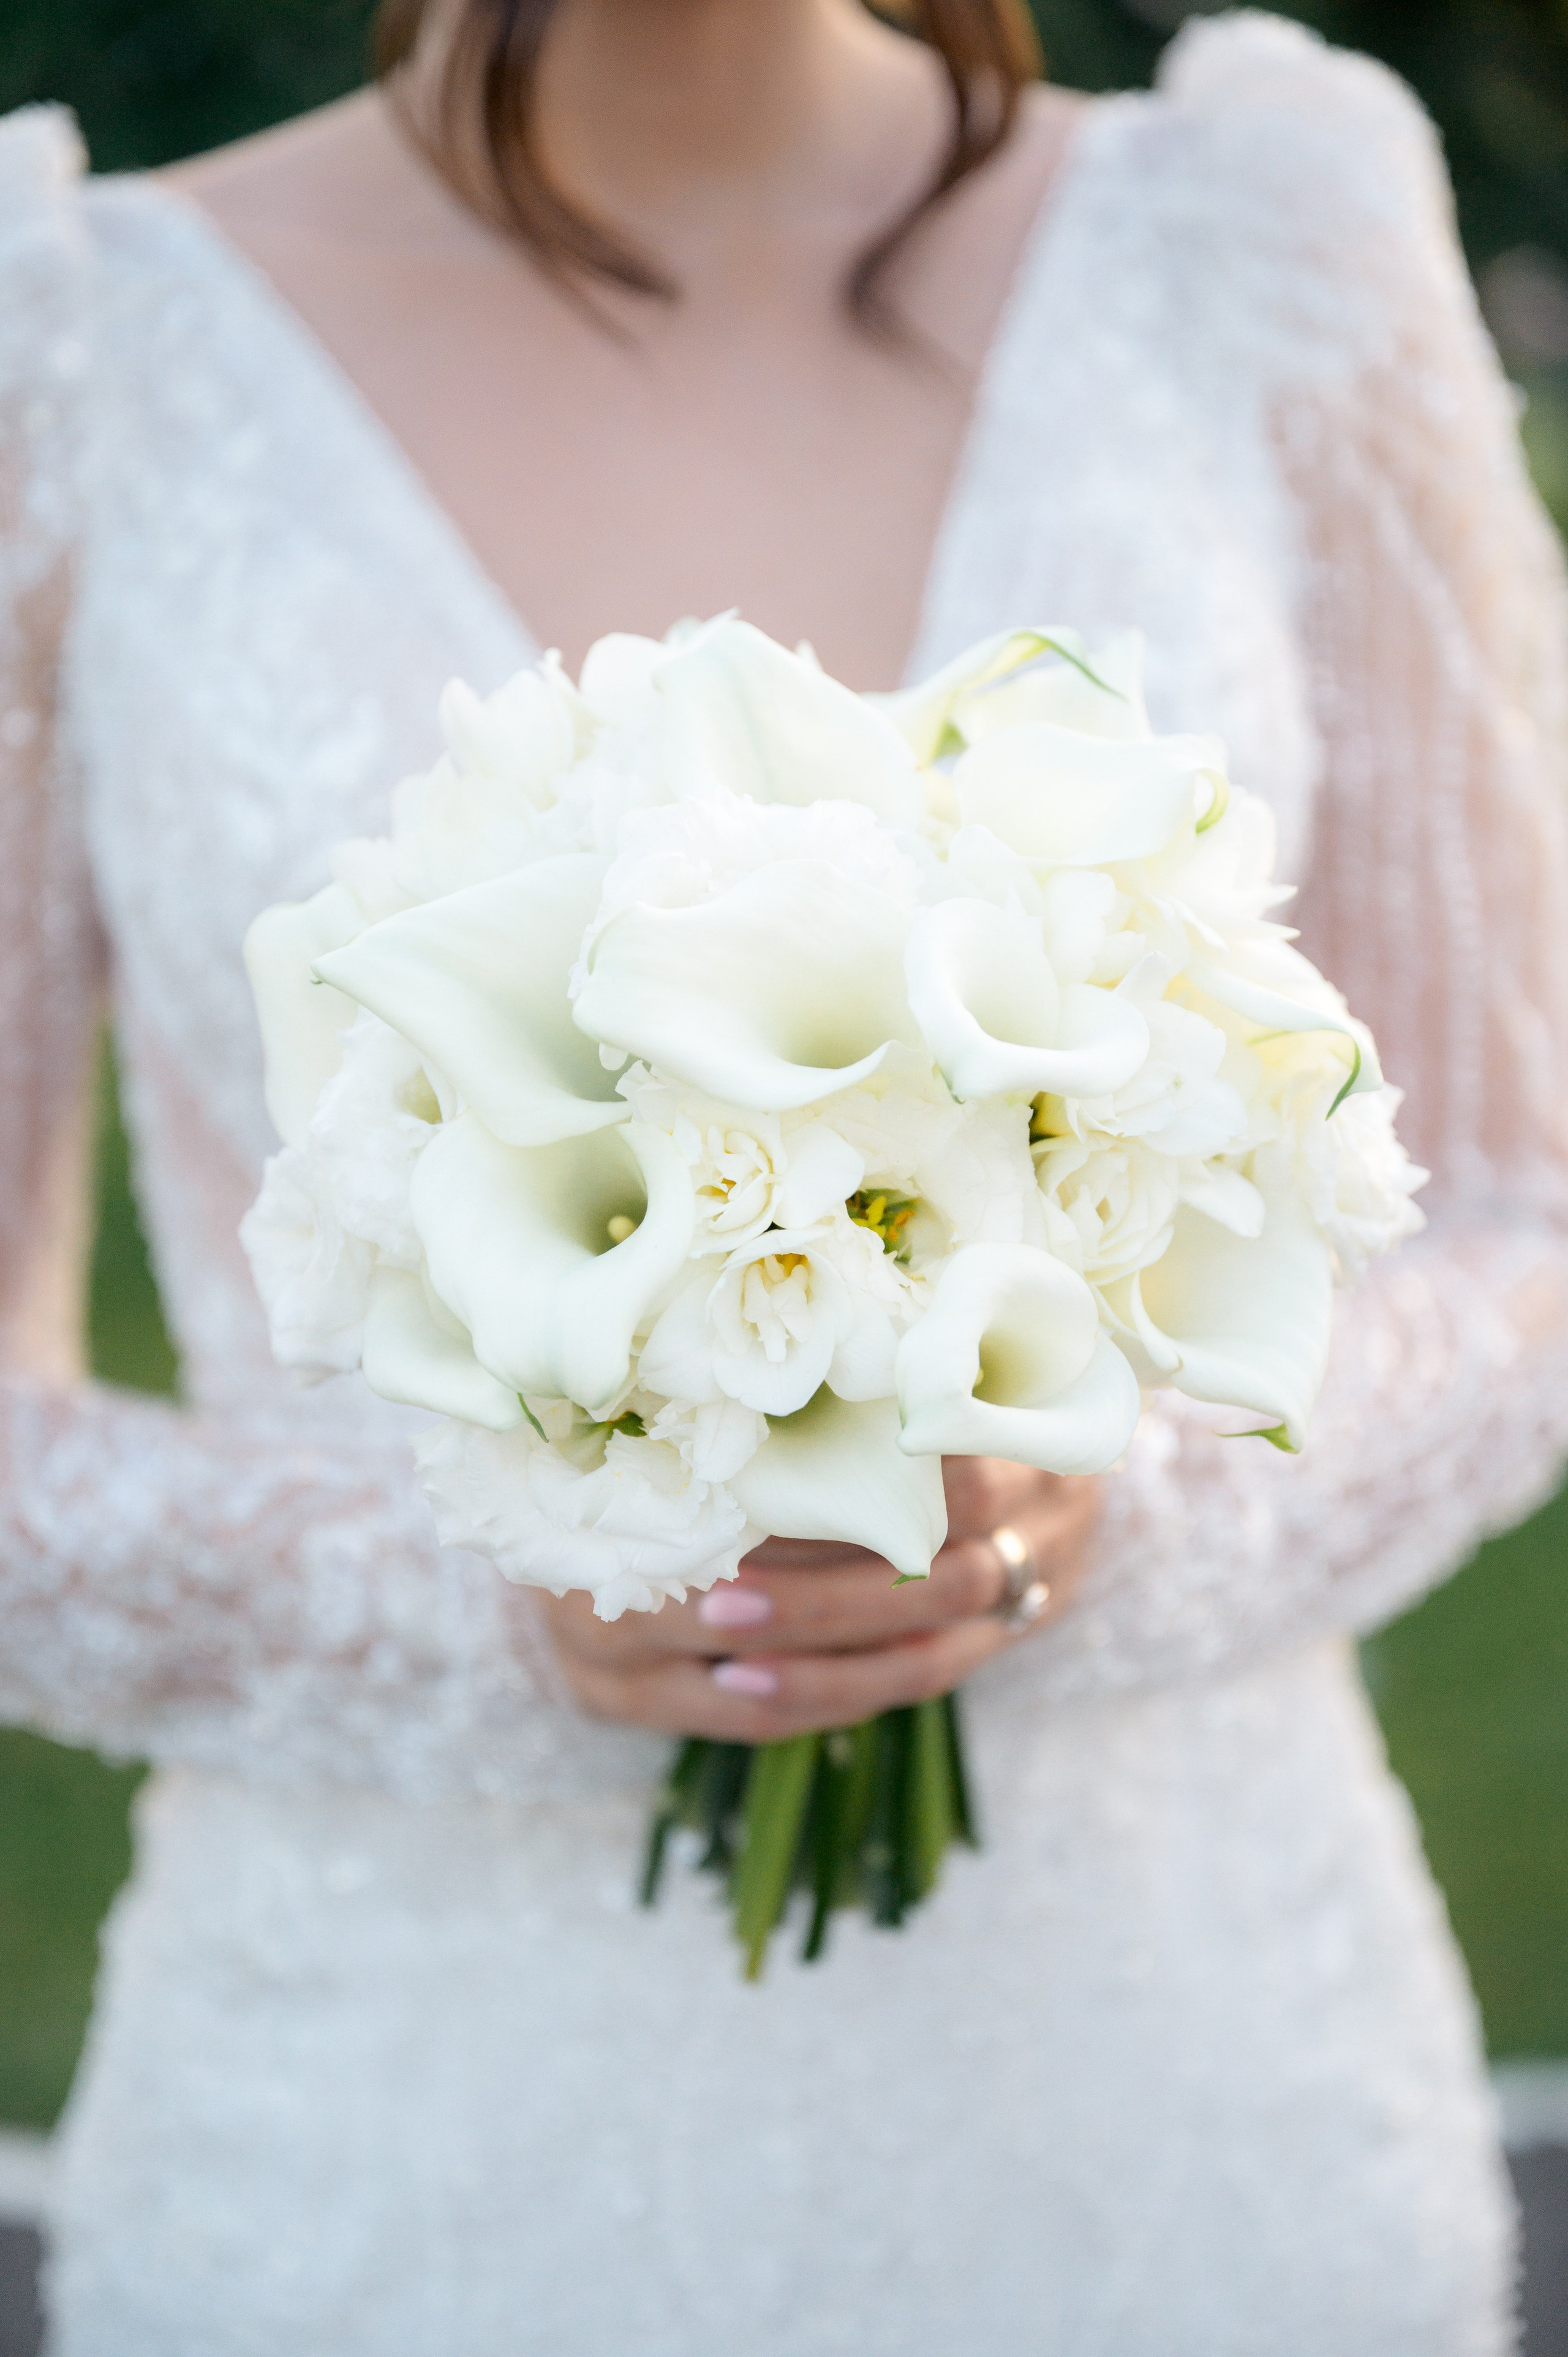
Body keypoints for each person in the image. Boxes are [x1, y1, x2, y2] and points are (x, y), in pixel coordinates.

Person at [1, 0, 1565, 2347]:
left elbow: (1530, 1217)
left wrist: (1107, 1507)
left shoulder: (1272, 229)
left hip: (1187, 2128)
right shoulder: (64, 335)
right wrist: (515, 1577)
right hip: (398, 2161)